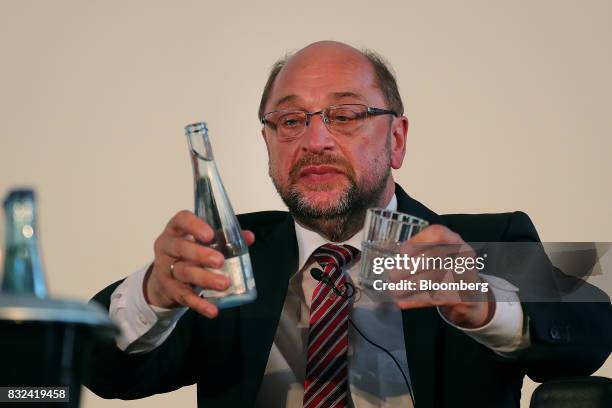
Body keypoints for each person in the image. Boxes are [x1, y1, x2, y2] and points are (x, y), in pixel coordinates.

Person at [84, 41, 611, 408]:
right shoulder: (228, 254)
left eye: (347, 115)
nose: (315, 141)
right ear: (268, 144)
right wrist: (154, 293)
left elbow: (591, 330)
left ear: (397, 139)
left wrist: (482, 303)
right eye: (291, 121)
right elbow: (105, 373)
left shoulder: (474, 244)